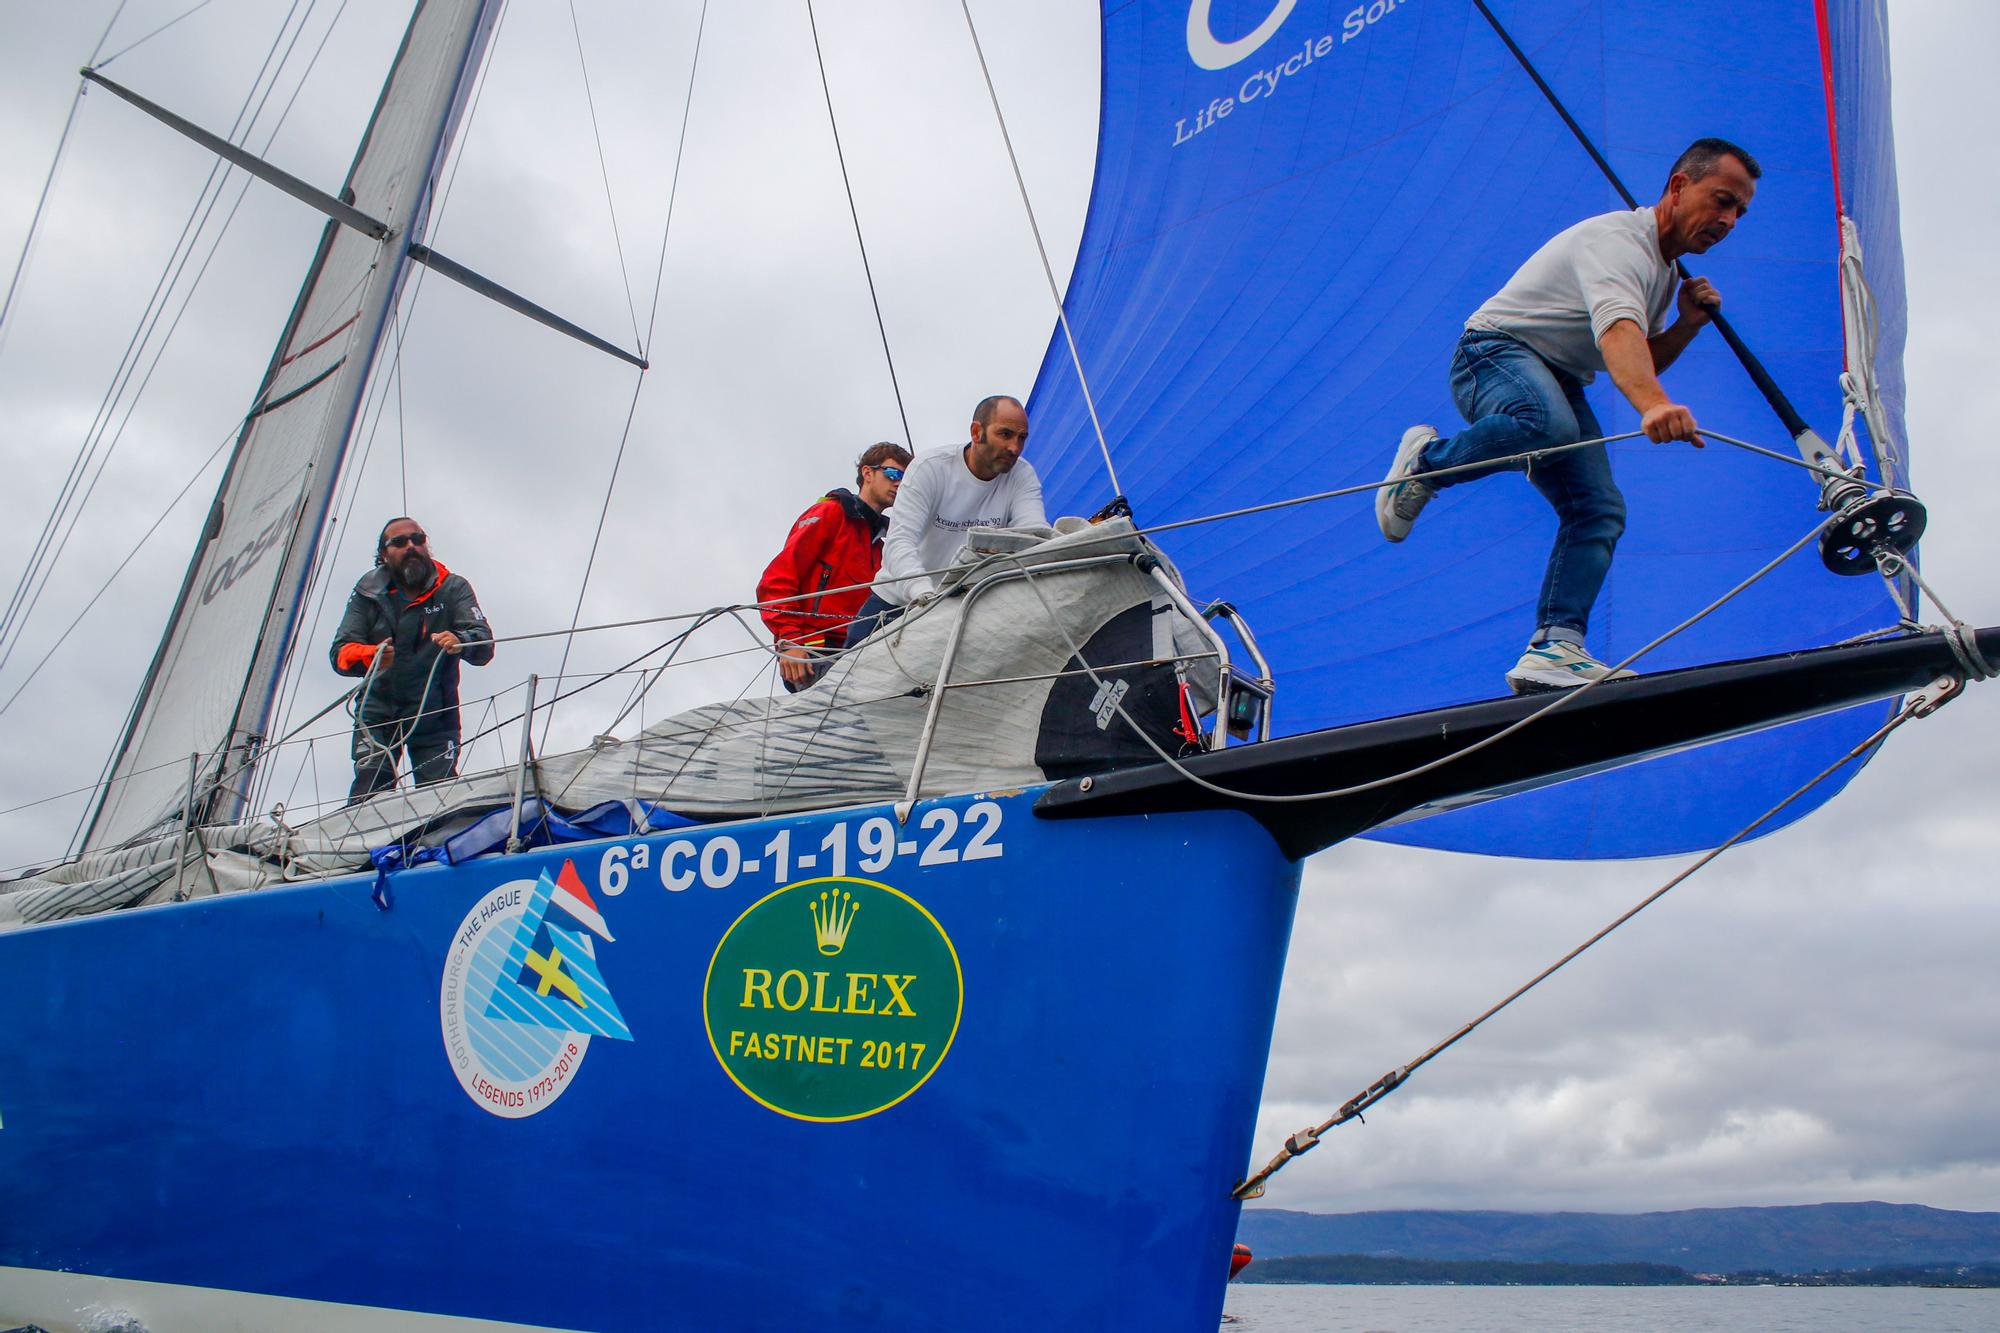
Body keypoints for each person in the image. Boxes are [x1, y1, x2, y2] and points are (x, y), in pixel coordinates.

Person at [1377, 137, 1759, 694]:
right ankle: (1426, 465)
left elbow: (1639, 355)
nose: (1728, 220)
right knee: (1547, 426)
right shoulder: (1618, 243)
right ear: (1678, 187)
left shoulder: (1664, 273)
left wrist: (1686, 324)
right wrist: (1652, 404)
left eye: (1739, 212)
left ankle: (1556, 648)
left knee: (1598, 509)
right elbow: (1618, 333)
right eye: (1722, 200)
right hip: (1494, 352)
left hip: (1556, 379)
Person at [848, 395, 1047, 640]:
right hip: (896, 603)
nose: (1014, 448)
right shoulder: (930, 468)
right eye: (1005, 434)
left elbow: (1034, 536)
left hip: (963, 609)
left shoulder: (1022, 476)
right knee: (847, 679)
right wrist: (923, 594)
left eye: (1022, 438)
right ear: (976, 432)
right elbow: (900, 541)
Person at [330, 518, 494, 803]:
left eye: (418, 539)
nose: (411, 546)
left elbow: (484, 644)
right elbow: (340, 653)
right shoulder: (367, 593)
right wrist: (372, 655)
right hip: (377, 710)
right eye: (400, 542)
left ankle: (436, 846)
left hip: (435, 711)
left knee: (439, 796)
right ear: (383, 554)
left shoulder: (453, 587)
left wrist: (460, 642)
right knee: (369, 793)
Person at [757, 441, 913, 692]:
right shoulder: (831, 513)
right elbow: (776, 580)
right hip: (814, 654)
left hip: (861, 655)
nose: (898, 483)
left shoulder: (886, 545)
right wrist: (789, 642)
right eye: (893, 474)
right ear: (868, 473)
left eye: (905, 479)